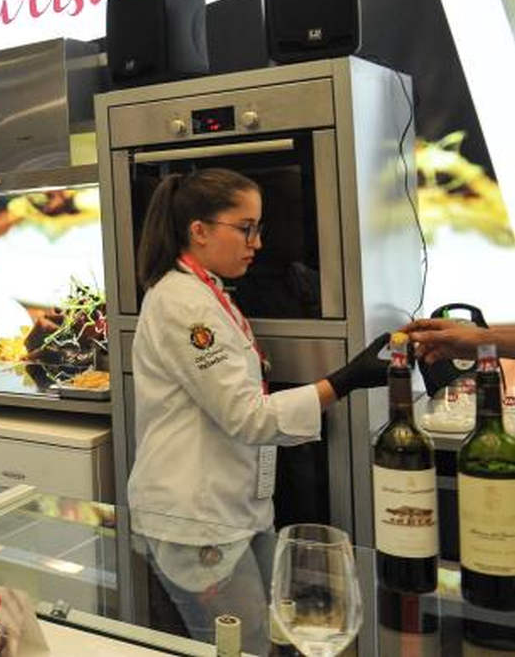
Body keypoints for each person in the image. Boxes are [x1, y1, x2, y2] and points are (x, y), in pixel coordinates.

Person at [127, 168, 396, 653]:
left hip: (236, 509)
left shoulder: (210, 294)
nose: (257, 242)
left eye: (259, 228)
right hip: (196, 518)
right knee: (246, 647)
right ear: (200, 231)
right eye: (245, 227)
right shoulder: (183, 304)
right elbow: (246, 416)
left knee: (273, 636)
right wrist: (344, 381)